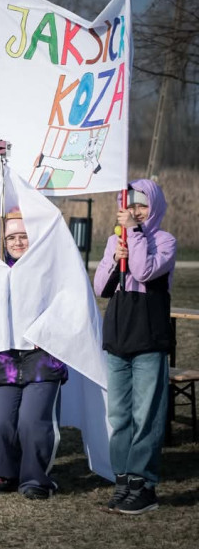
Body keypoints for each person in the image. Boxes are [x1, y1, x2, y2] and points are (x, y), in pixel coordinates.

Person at [94, 180, 176, 514]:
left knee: (147, 414)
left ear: (153, 206)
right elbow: (101, 286)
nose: (135, 212)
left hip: (149, 336)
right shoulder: (116, 239)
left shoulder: (164, 241)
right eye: (129, 206)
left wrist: (137, 236)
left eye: (141, 206)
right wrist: (116, 255)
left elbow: (144, 270)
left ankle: (145, 484)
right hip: (118, 336)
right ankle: (124, 479)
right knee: (120, 414)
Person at [0, 210, 70, 500]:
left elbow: (67, 304)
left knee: (32, 421)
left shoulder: (52, 268)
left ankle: (35, 479)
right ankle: (5, 472)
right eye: (11, 237)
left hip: (43, 357)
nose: (17, 242)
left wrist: (45, 333)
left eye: (23, 236)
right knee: (0, 421)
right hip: (7, 357)